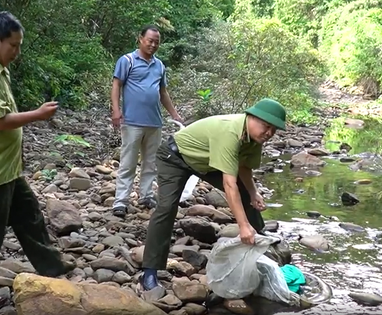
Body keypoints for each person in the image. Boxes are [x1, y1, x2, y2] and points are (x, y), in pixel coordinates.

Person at [0, 11, 74, 311]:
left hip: (5, 167)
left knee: (29, 214)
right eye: (14, 46)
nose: (17, 52)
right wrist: (38, 114)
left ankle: (52, 267)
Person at [140, 98, 286, 294]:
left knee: (244, 192)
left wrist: (253, 193)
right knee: (166, 208)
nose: (269, 133)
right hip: (175, 157)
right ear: (250, 116)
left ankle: (259, 237)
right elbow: (229, 184)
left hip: (206, 161)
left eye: (274, 130)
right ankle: (149, 272)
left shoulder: (254, 138)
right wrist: (242, 226)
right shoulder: (230, 132)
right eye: (266, 126)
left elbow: (243, 167)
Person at [110, 25, 182, 218]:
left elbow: (163, 92)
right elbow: (116, 85)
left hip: (154, 122)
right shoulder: (127, 61)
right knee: (128, 162)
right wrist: (116, 111)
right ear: (140, 38)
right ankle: (121, 201)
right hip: (132, 121)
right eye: (150, 40)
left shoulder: (159, 65)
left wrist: (174, 114)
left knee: (151, 163)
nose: (153, 44)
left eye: (156, 42)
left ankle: (146, 196)